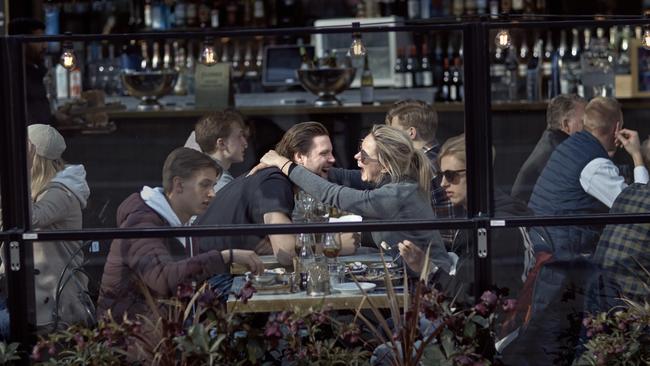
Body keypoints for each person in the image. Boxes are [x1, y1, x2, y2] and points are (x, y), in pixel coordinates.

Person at [503, 97, 650, 365]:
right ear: (617, 127)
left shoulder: (573, 146)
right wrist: (638, 156)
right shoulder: (594, 165)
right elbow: (638, 207)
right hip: (565, 260)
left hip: (549, 252)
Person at [255, 124, 452, 274]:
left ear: (384, 165)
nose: (357, 156)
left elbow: (332, 194)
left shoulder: (397, 194)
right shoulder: (392, 181)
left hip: (433, 287)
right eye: (360, 149)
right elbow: (339, 176)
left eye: (364, 155)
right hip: (409, 278)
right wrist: (299, 165)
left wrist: (283, 163)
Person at [97, 148, 263, 321]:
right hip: (131, 336)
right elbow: (163, 278)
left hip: (162, 329)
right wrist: (225, 257)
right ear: (178, 185)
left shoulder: (177, 223)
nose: (212, 194)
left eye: (213, 186)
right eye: (204, 185)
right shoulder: (143, 224)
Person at [196, 121, 357, 267]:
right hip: (209, 279)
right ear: (299, 157)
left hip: (219, 269)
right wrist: (335, 244)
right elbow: (286, 253)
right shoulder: (274, 181)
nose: (333, 159)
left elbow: (283, 244)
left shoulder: (275, 177)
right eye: (324, 154)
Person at [398, 134, 532, 298]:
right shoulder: (477, 216)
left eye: (451, 175)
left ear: (477, 175)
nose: (443, 184)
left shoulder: (497, 228)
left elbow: (476, 301)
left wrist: (427, 269)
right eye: (441, 175)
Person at [24, 124, 91, 331]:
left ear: (35, 159)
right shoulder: (42, 190)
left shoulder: (62, 192)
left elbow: (31, 218)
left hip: (56, 307)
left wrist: (21, 171)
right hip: (36, 298)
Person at [511, 94, 586, 204]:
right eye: (584, 122)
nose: (590, 126)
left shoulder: (551, 141)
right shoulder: (563, 153)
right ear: (566, 124)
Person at [384, 99, 453, 218]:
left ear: (411, 133)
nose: (390, 138)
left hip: (435, 235)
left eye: (393, 132)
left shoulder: (417, 167)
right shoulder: (446, 157)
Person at [185, 110, 249, 192]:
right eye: (239, 136)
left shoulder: (198, 171)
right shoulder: (221, 183)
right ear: (221, 144)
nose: (245, 143)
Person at [8, 18, 53, 125]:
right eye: (39, 41)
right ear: (22, 43)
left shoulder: (35, 73)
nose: (45, 46)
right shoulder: (14, 77)